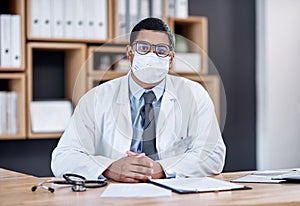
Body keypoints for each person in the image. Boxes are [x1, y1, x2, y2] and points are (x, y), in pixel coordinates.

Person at [51, 17, 226, 183]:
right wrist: (109, 168)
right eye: (143, 48)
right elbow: (63, 158)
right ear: (130, 53)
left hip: (173, 194)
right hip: (112, 194)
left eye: (161, 50)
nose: (151, 55)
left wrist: (160, 169)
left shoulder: (194, 94)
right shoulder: (96, 98)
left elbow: (213, 154)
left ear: (171, 59)